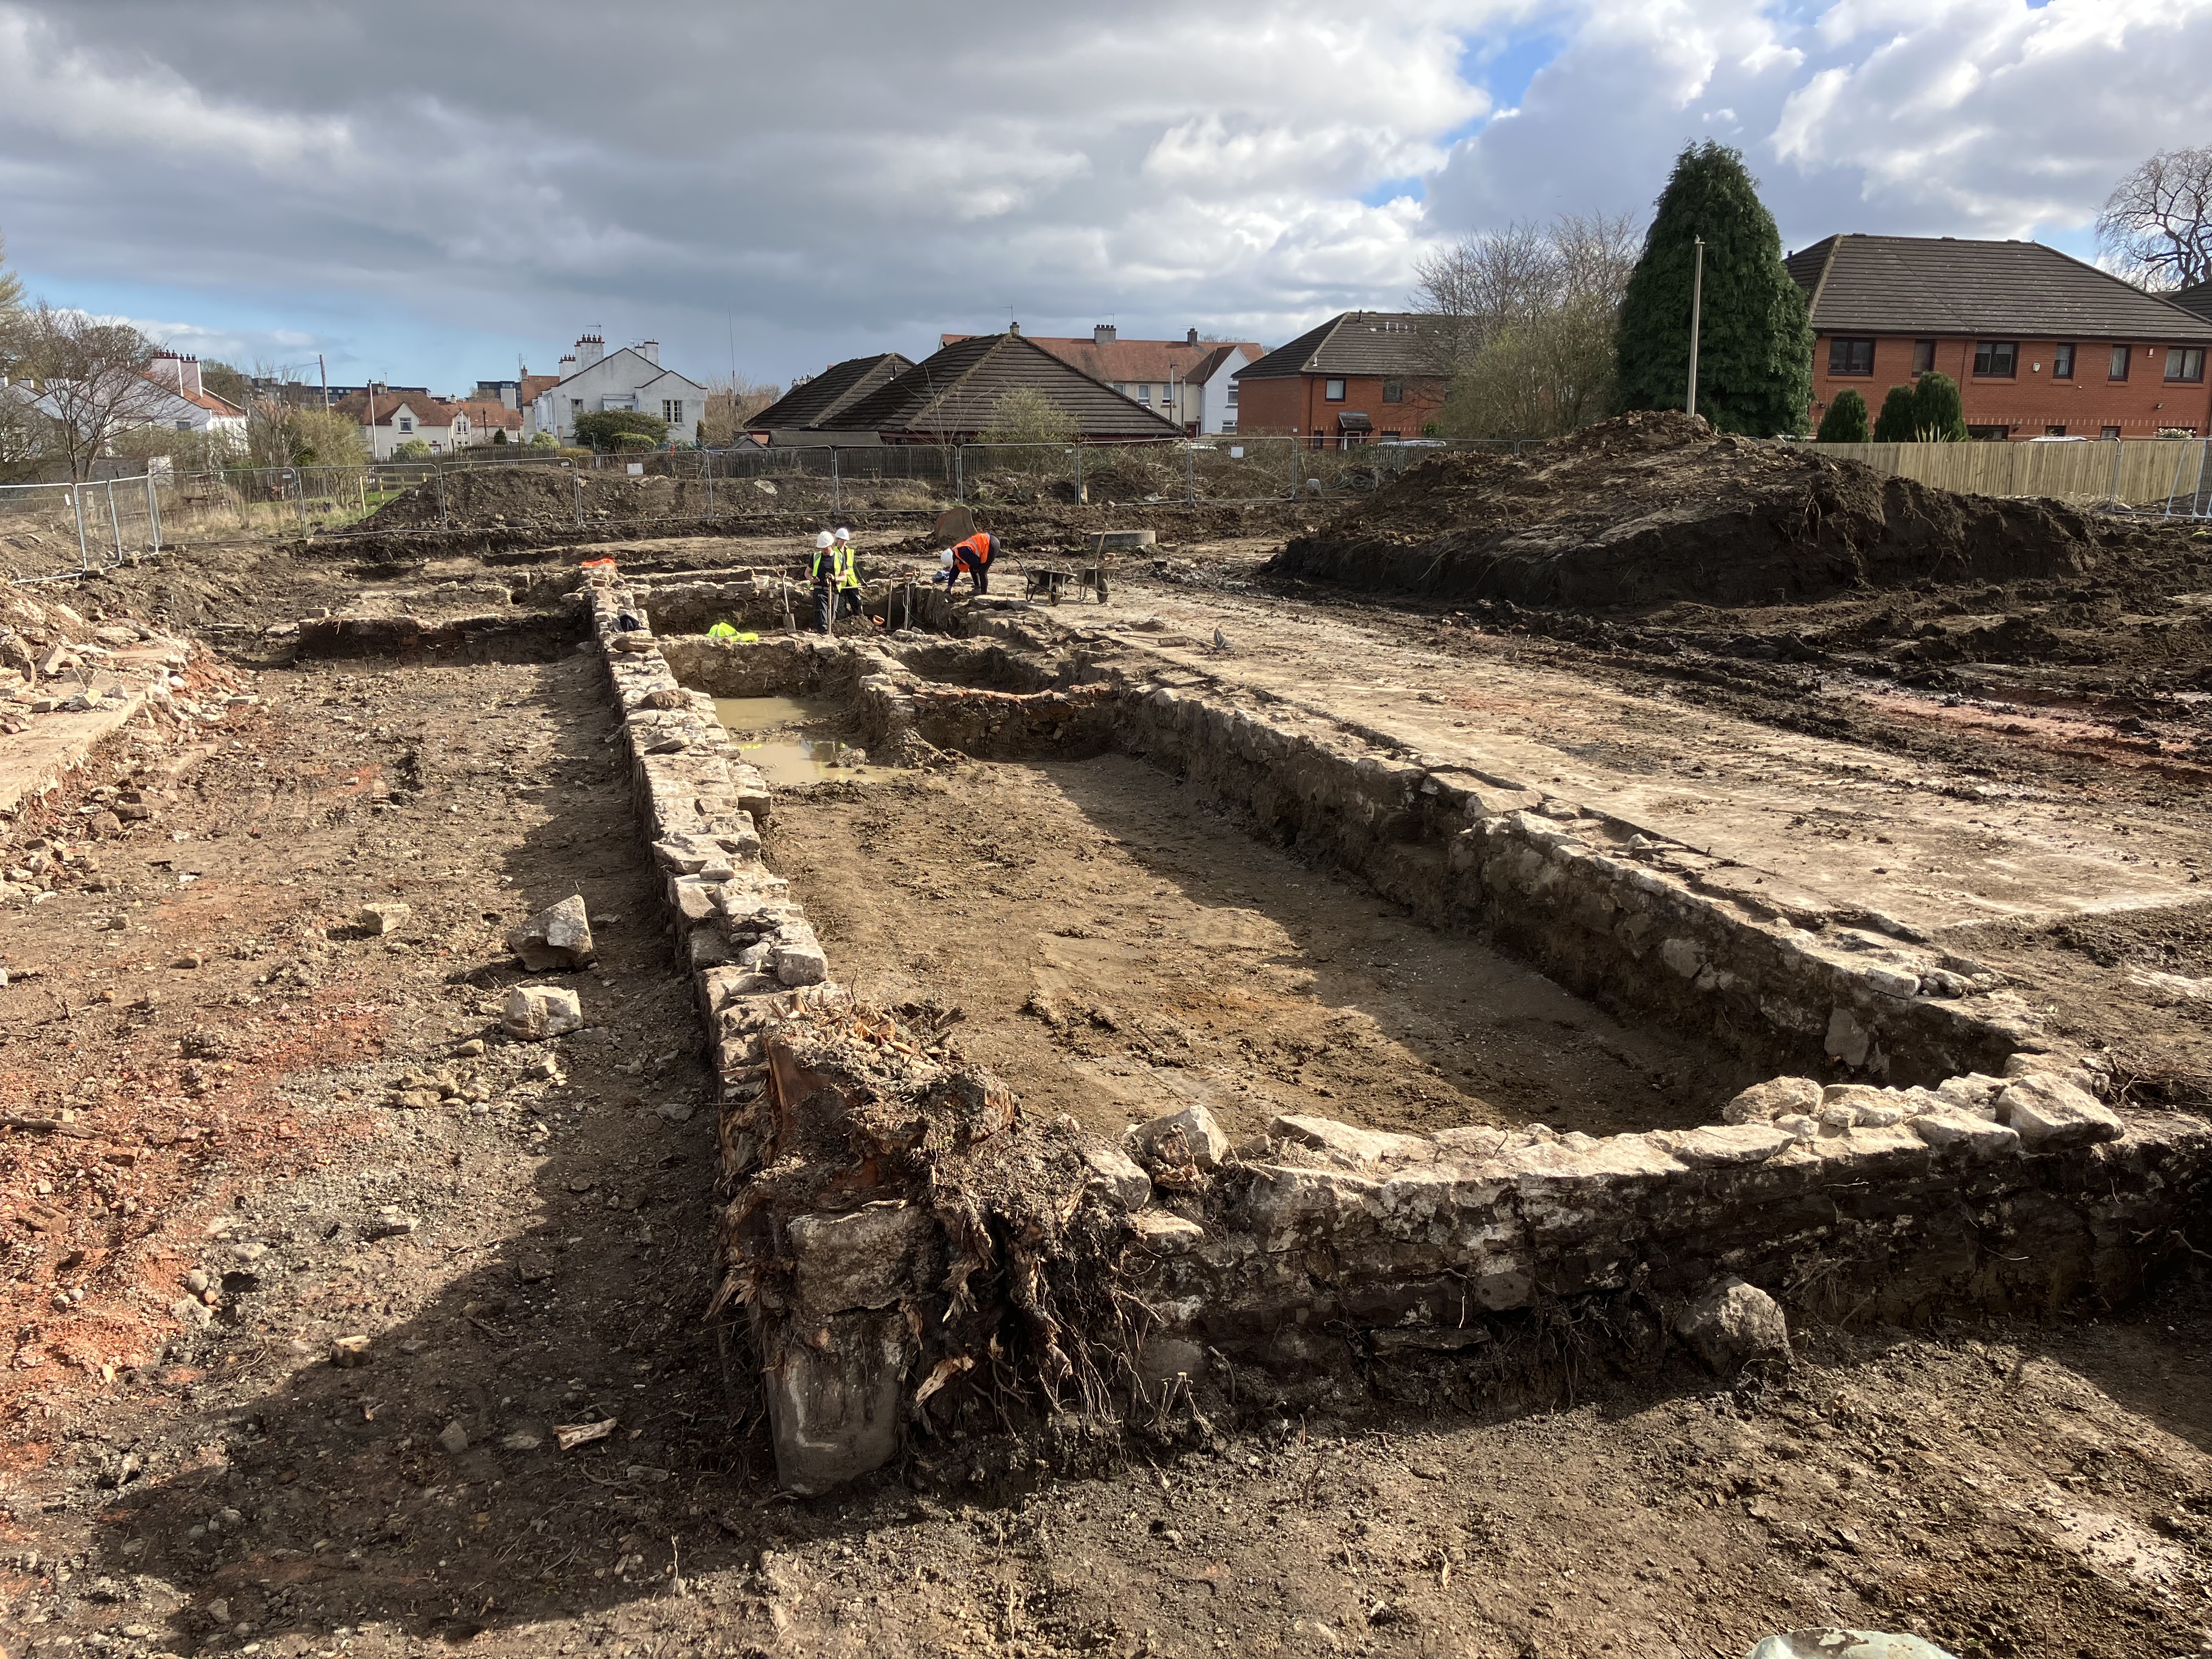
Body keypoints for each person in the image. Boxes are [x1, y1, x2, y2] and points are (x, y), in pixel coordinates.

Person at [808, 529, 856, 634]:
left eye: (825, 549)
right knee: (821, 616)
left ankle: (829, 633)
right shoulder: (816, 556)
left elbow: (844, 577)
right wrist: (812, 579)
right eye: (821, 549)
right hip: (820, 590)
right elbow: (807, 573)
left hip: (833, 592)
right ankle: (823, 635)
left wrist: (835, 578)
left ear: (831, 546)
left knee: (831, 616)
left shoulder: (839, 557)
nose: (823, 551)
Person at [943, 529, 998, 595]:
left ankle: (984, 595)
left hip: (991, 544)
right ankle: (978, 587)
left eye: (954, 563)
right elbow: (954, 572)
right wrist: (949, 589)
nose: (955, 564)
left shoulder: (964, 552)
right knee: (972, 567)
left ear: (954, 558)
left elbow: (977, 562)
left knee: (982, 571)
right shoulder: (956, 554)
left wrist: (975, 568)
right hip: (987, 542)